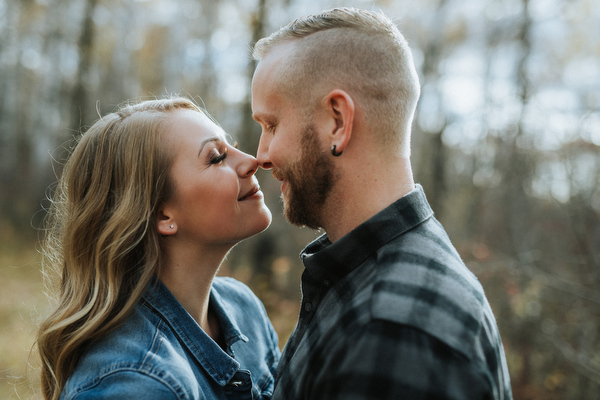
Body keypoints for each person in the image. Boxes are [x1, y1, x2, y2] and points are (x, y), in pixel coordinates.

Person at [251, 7, 512, 400]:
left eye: (272, 125)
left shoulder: (388, 330)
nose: (262, 155)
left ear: (337, 121)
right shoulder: (371, 282)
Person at [36, 97, 280, 400]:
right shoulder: (134, 384)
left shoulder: (245, 309)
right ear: (162, 215)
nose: (251, 161)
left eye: (232, 147)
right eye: (217, 157)